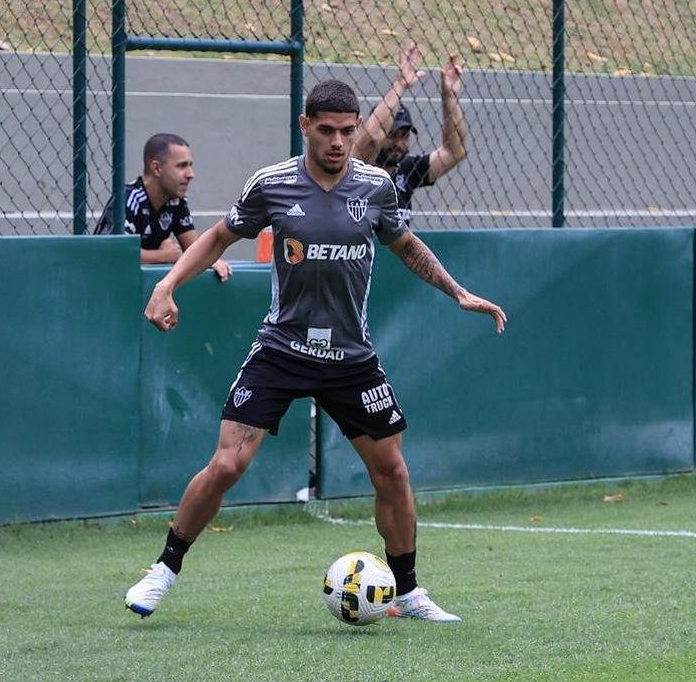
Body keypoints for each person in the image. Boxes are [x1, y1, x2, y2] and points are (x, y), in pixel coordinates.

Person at [124, 79, 506, 623]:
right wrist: (166, 286)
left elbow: (405, 245)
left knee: (392, 471)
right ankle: (163, 569)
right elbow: (215, 239)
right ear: (305, 127)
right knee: (229, 463)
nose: (337, 141)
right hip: (282, 349)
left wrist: (459, 291)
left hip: (352, 358)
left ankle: (408, 590)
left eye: (347, 132)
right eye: (325, 130)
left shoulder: (376, 187)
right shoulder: (272, 184)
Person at [351, 42, 468, 228]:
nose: (398, 143)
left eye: (404, 135)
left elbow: (455, 151)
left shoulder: (406, 170)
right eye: (392, 135)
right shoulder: (356, 167)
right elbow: (372, 138)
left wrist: (450, 99)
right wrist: (400, 85)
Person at [94, 133, 232, 280]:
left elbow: (194, 248)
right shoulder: (129, 199)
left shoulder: (176, 201)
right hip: (103, 282)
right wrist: (163, 255)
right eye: (182, 166)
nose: (191, 174)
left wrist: (210, 260)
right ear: (157, 168)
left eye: (190, 165)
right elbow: (114, 254)